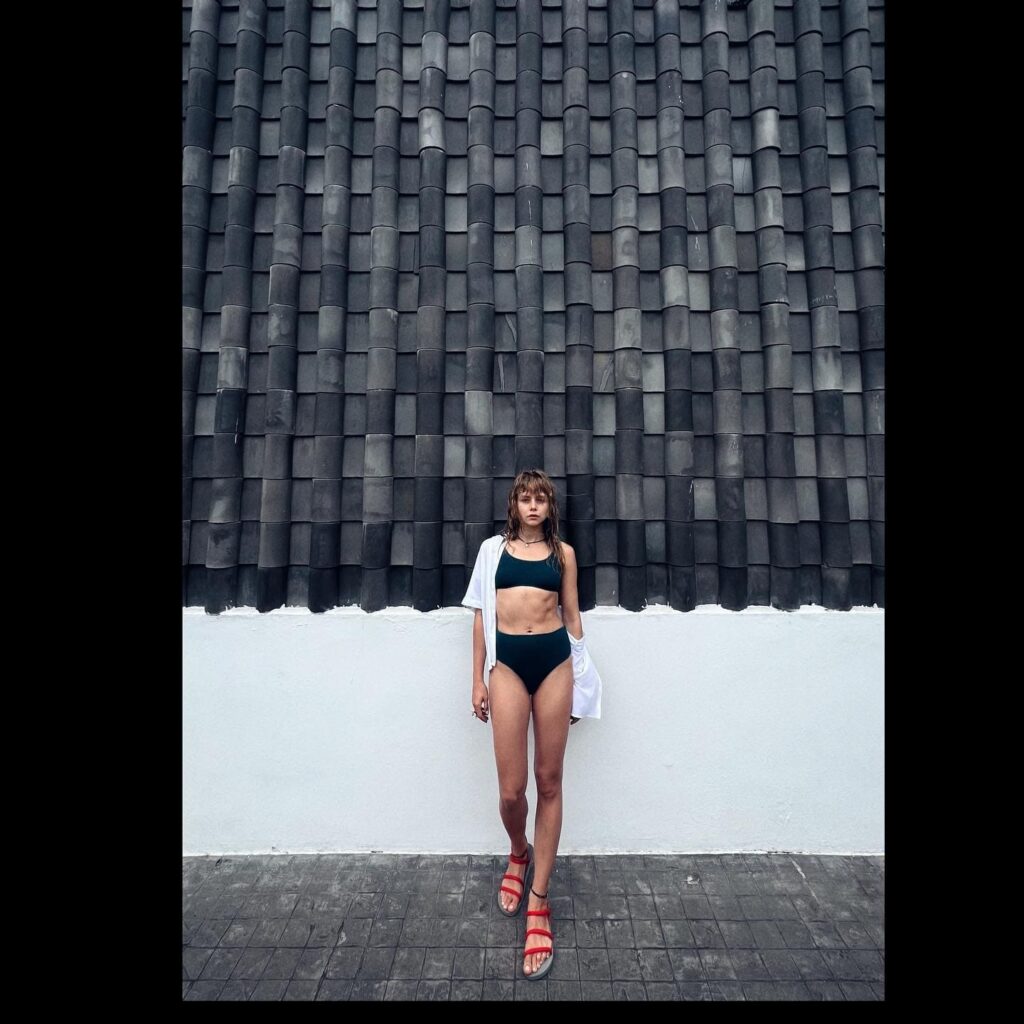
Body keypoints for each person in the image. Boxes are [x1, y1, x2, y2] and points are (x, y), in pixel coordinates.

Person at [465, 469, 584, 981]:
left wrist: (584, 681)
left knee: (549, 781)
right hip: (507, 667)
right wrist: (477, 679)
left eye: (541, 499)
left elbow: (572, 617)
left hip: (555, 664)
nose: (533, 506)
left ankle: (539, 898)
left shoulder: (564, 555)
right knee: (512, 791)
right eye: (525, 498)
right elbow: (479, 615)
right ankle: (519, 852)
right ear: (513, 505)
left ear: (549, 506)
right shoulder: (492, 552)